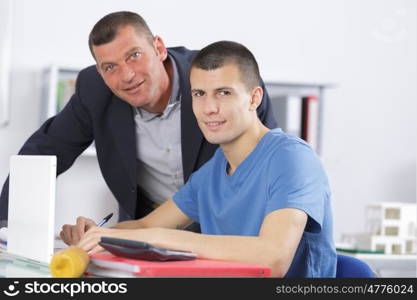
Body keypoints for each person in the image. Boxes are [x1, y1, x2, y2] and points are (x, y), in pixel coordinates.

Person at [67, 41, 337, 277]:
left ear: (254, 98)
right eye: (199, 94)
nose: (209, 109)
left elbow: (273, 257)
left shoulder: (291, 158)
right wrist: (95, 234)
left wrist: (161, 239)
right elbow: (144, 225)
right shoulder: (212, 173)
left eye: (224, 93)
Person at [0, 11, 276, 227]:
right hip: (147, 232)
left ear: (158, 48)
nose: (126, 76)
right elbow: (42, 153)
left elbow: (267, 163)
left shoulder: (214, 79)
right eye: (110, 67)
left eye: (134, 56)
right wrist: (5, 227)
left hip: (224, 229)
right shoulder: (94, 90)